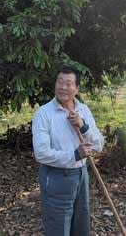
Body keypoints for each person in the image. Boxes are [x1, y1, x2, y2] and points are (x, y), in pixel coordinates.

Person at [32, 66, 104, 236]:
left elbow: (99, 145)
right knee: (59, 227)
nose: (63, 87)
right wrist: (74, 155)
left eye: (69, 83)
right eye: (60, 82)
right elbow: (41, 153)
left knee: (81, 225)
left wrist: (83, 125)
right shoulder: (44, 113)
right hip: (56, 177)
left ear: (76, 89)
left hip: (81, 175)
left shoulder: (83, 110)